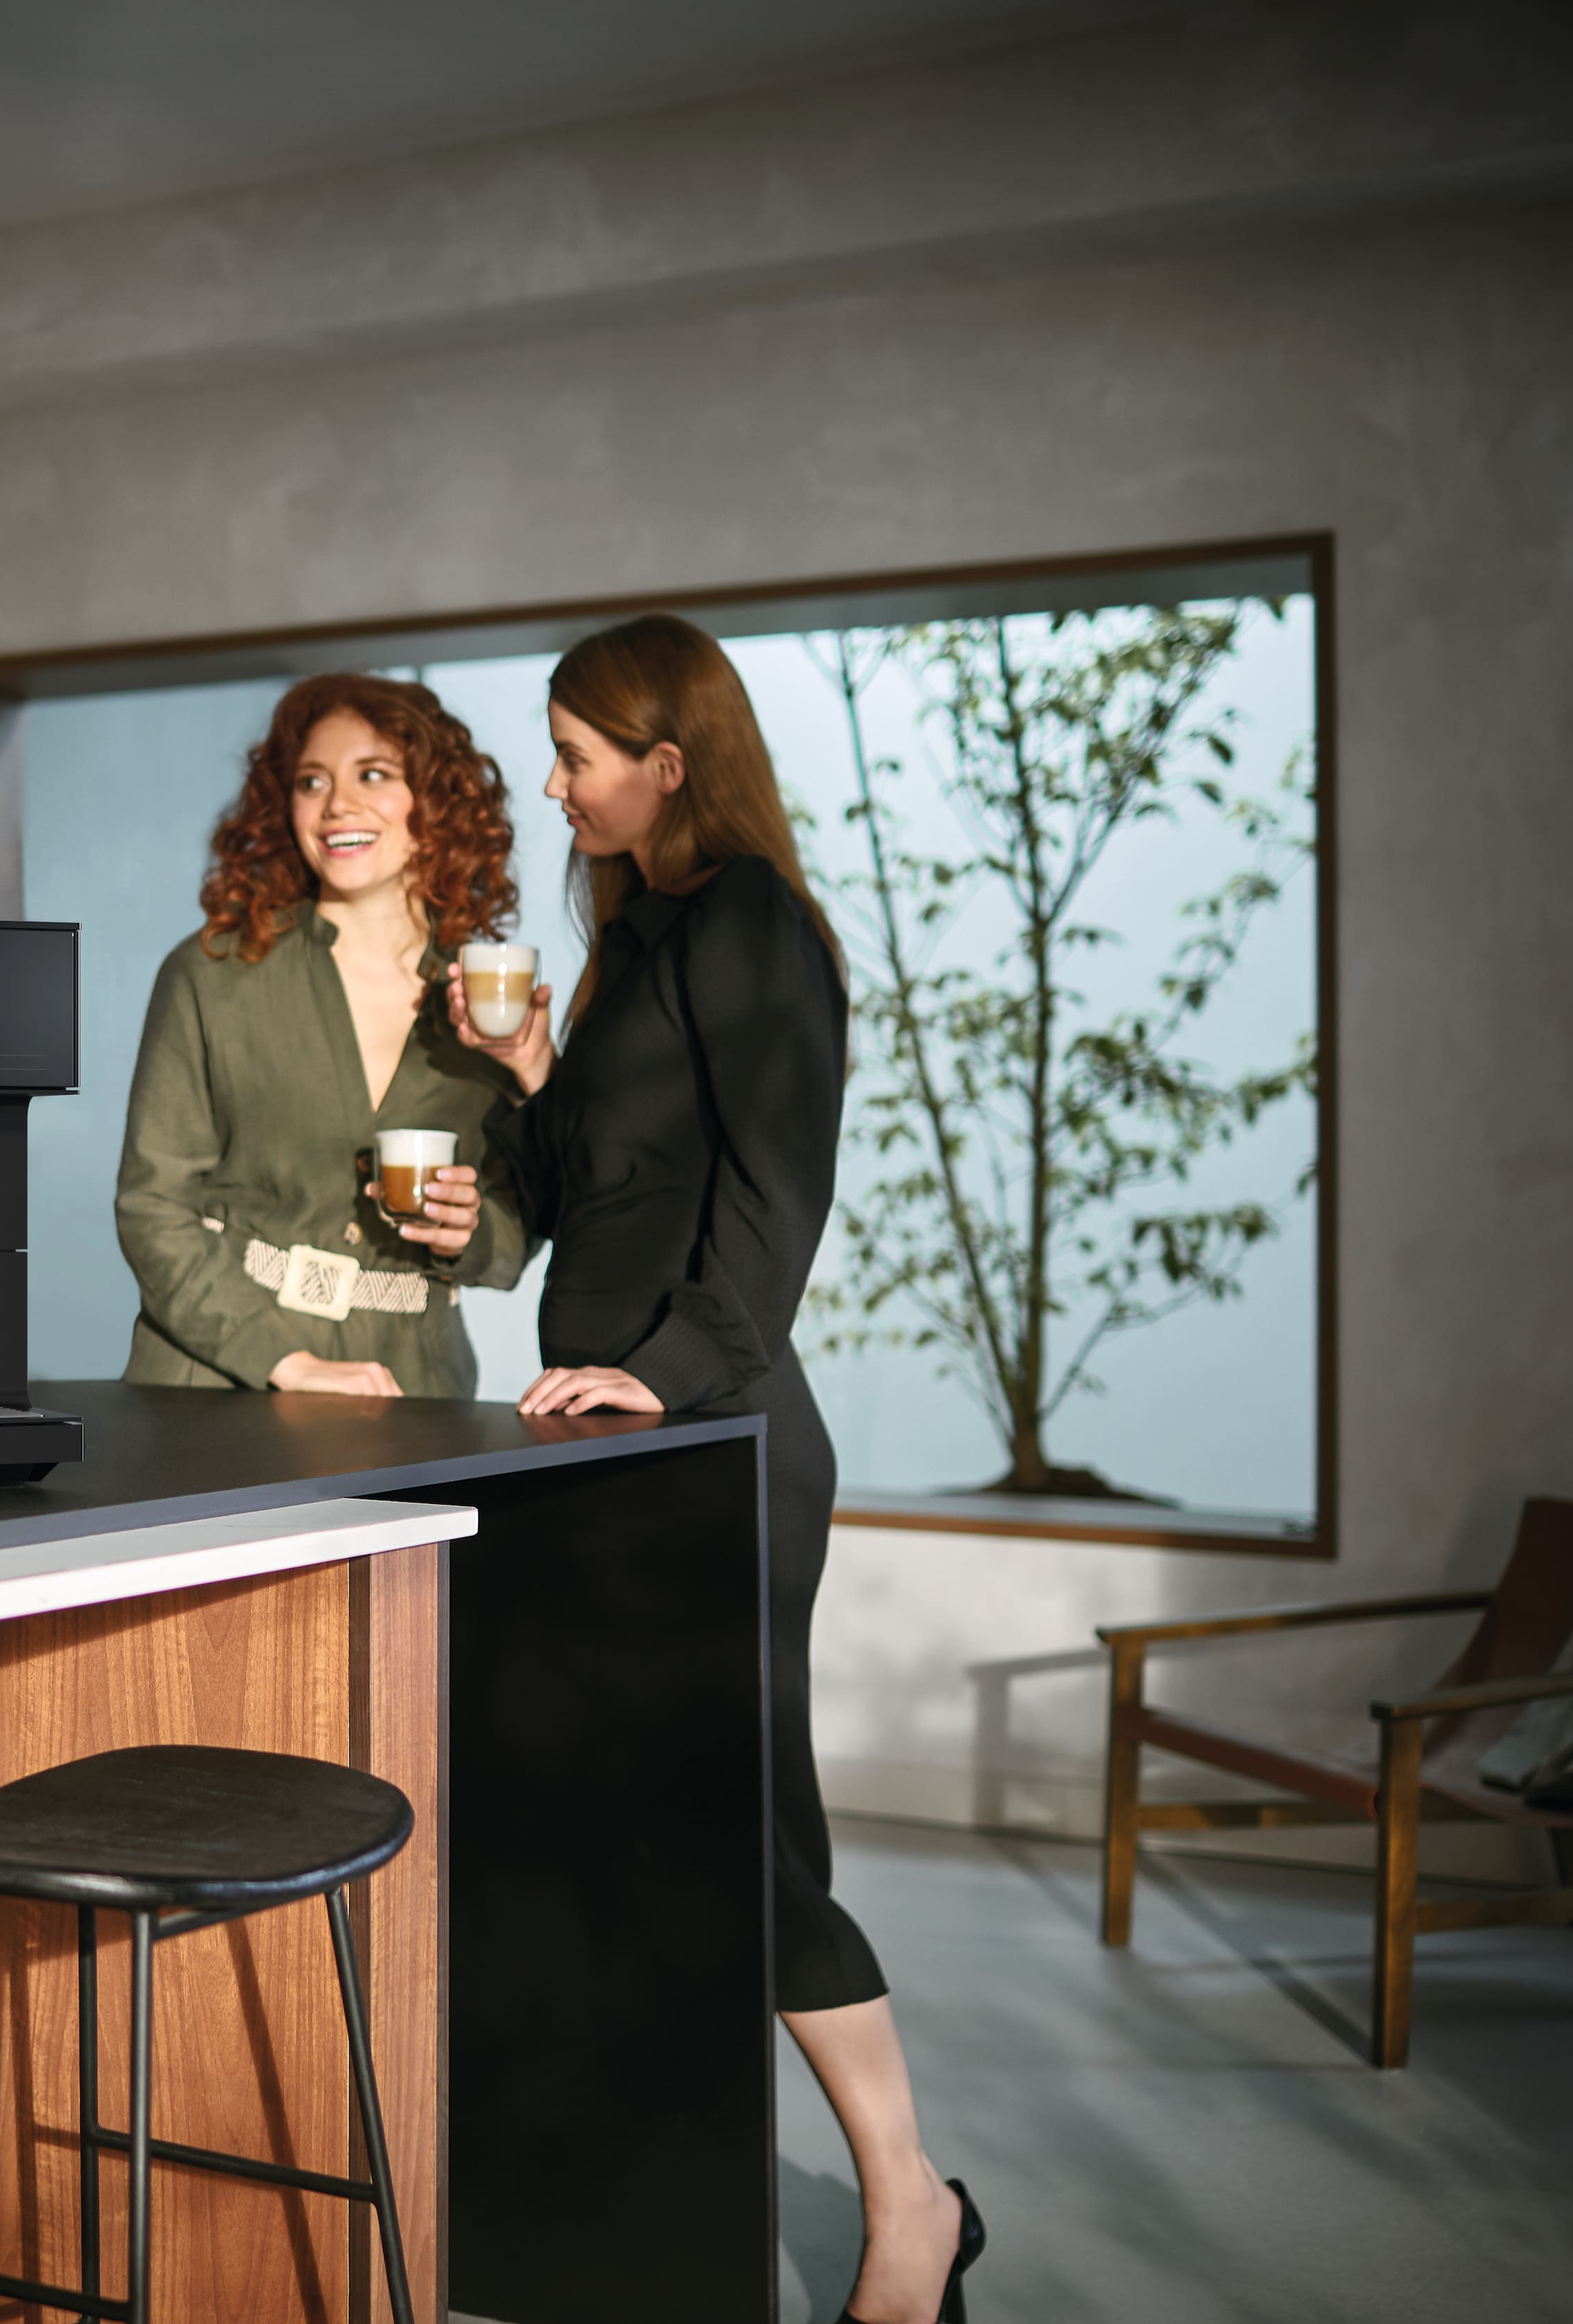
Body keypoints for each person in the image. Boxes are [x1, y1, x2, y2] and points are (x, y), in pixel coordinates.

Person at [404, 614, 986, 2324]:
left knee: (742, 1842)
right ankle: (640, 2224)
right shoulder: (630, 945)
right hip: (611, 1437)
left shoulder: (750, 926)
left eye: (579, 749)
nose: (554, 776)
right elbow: (607, 1197)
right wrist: (526, 1092)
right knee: (621, 1838)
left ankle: (910, 2204)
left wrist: (658, 1377)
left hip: (712, 1437)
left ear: (672, 760)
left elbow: (771, 1201)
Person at [114, 673, 531, 1397]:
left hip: (414, 1388)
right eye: (311, 782)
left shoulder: (492, 1003)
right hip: (219, 1386)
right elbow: (152, 1207)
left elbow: (527, 1217)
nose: (337, 804)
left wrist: (475, 1232)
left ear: (436, 803)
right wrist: (286, 1363)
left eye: (372, 774)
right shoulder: (210, 973)